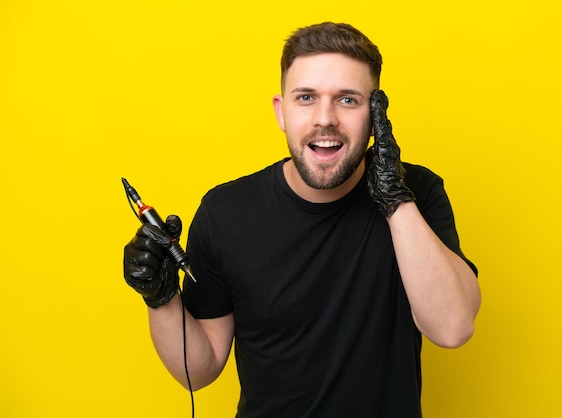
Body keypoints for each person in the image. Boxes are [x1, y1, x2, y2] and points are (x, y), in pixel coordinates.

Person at [123, 21, 480, 418]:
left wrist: (395, 200)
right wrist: (160, 298)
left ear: (376, 114)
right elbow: (199, 371)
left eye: (347, 100)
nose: (324, 118)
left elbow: (453, 327)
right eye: (306, 97)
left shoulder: (417, 191)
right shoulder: (225, 212)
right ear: (281, 111)